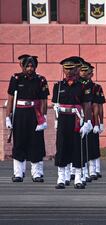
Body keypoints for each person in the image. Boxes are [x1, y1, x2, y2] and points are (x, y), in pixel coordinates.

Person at [6, 55, 49, 183]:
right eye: (27, 66)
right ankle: (18, 173)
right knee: (19, 142)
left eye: (32, 66)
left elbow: (44, 100)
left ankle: (37, 173)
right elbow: (10, 100)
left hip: (35, 114)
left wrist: (44, 118)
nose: (30, 68)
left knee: (36, 143)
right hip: (20, 114)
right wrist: (8, 117)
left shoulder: (41, 80)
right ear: (23, 66)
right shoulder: (16, 78)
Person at [53, 57, 93, 189]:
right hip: (63, 118)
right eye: (66, 69)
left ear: (76, 69)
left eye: (71, 69)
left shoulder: (83, 86)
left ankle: (78, 177)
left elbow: (87, 105)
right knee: (62, 146)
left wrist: (87, 122)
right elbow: (55, 104)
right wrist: (56, 120)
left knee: (77, 147)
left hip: (77, 119)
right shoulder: (58, 86)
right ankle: (61, 177)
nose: (68, 71)